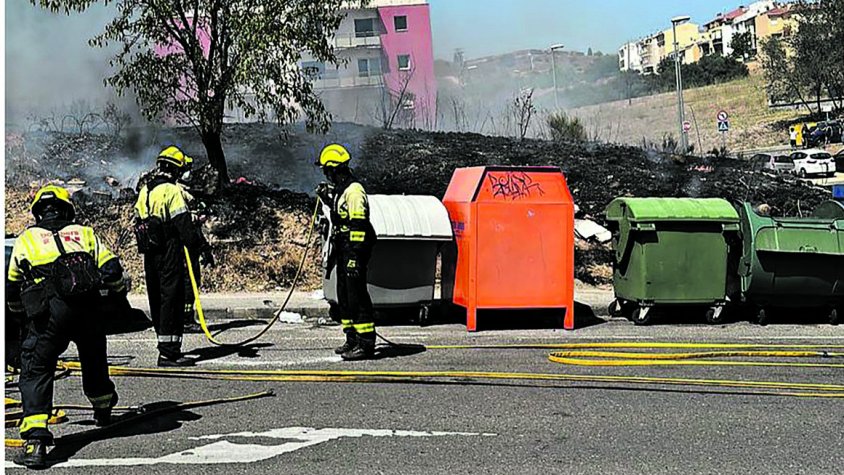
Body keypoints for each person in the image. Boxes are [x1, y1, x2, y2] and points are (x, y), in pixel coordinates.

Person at [7, 185, 124, 468]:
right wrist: (117, 295)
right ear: (67, 209)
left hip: (49, 314)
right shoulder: (84, 233)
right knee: (94, 359)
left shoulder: (27, 239)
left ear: (38, 213)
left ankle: (35, 442)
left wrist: (18, 311)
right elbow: (112, 271)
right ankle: (103, 409)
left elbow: (12, 284)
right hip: (88, 310)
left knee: (36, 368)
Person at [135, 146, 214, 367]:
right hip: (170, 250)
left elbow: (138, 220)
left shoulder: (145, 190)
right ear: (176, 169)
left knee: (157, 298)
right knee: (173, 298)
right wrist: (202, 249)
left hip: (150, 253)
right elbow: (184, 226)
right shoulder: (171, 191)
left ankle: (164, 345)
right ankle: (170, 353)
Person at [315, 144, 378, 361]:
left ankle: (366, 344)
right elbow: (340, 214)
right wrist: (327, 199)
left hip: (354, 249)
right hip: (343, 247)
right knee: (344, 295)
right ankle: (351, 339)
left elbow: (359, 227)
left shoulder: (354, 191)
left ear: (334, 169)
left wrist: (353, 258)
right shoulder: (342, 190)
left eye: (326, 170)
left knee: (357, 295)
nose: (326, 174)